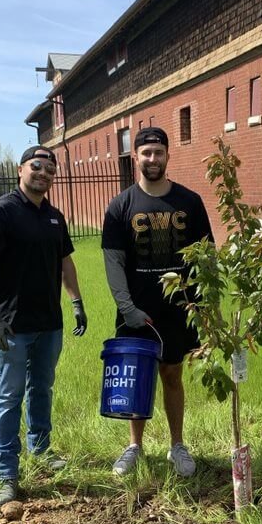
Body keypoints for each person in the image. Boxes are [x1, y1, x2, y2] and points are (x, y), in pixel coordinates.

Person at [0, 146, 87, 507]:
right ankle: (7, 474)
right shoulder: (1, 212)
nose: (43, 173)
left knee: (43, 387)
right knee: (9, 397)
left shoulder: (54, 216)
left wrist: (76, 301)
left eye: (50, 170)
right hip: (11, 326)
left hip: (48, 324)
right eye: (36, 166)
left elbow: (65, 262)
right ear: (20, 169)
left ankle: (40, 448)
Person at [102, 126, 213, 477]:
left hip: (180, 309)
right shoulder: (121, 205)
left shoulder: (189, 202)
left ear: (168, 155)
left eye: (158, 152)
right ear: (136, 158)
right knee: (137, 378)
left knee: (172, 375)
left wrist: (206, 308)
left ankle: (177, 445)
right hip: (138, 311)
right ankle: (135, 446)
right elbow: (114, 262)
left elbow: (206, 259)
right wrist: (127, 307)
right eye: (146, 153)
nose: (152, 159)